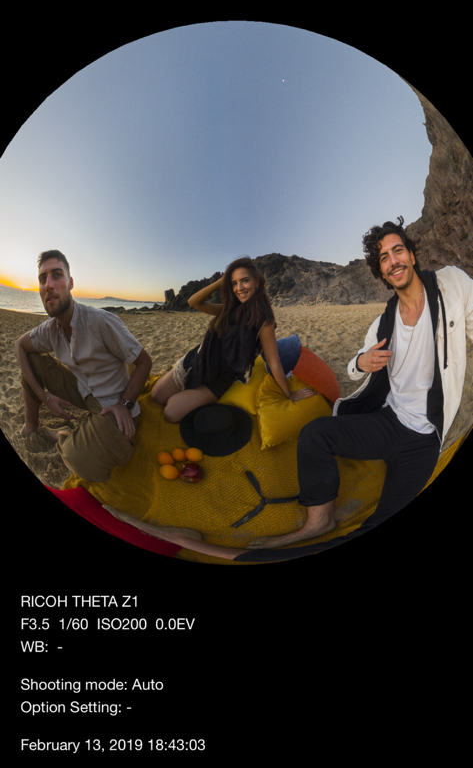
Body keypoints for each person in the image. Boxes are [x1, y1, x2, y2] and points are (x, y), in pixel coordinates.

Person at [104, 217, 473, 561]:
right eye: (384, 257)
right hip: (382, 419)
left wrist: (288, 393)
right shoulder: (383, 322)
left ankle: (289, 542)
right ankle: (318, 521)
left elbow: (275, 363)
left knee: (376, 523)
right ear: (379, 270)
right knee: (312, 433)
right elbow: (355, 364)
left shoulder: (451, 286)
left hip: (424, 435)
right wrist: (361, 362)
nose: (393, 261)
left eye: (398, 250)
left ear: (411, 254)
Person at [16, 251, 152, 483]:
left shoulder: (100, 321)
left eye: (56, 275)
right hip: (83, 391)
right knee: (32, 363)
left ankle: (63, 435)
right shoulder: (50, 329)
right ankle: (31, 426)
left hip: (113, 405)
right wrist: (44, 397)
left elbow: (144, 362)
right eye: (42, 279)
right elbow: (20, 345)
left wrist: (125, 404)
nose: (48, 285)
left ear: (70, 283)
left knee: (82, 463)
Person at [151, 256, 315, 422]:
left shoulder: (264, 320)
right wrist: (221, 281)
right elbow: (193, 302)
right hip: (197, 360)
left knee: (171, 413)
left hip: (218, 379)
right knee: (156, 396)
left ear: (256, 281)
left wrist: (289, 394)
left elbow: (274, 362)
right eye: (234, 283)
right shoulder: (229, 309)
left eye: (245, 281)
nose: (239, 288)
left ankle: (192, 393)